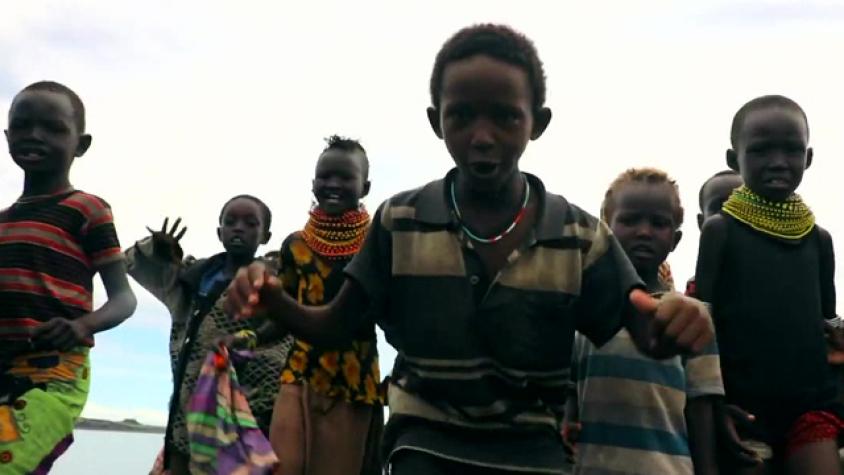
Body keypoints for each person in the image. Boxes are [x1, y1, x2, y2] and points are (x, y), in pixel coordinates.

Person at [225, 24, 714, 475]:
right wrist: (276, 301)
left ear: (537, 123)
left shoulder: (577, 236)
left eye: (505, 117)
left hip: (532, 447)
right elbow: (335, 325)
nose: (483, 137)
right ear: (437, 121)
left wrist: (677, 319)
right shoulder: (400, 223)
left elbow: (644, 329)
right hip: (425, 440)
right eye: (462, 116)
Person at [695, 95, 844, 474]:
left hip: (811, 407)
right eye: (761, 151)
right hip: (743, 408)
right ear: (734, 159)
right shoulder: (720, 231)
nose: (778, 162)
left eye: (792, 151)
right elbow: (702, 323)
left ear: (808, 158)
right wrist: (713, 403)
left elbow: (829, 324)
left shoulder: (818, 239)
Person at [0, 81, 137, 473]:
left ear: (81, 143)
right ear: (8, 136)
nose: (34, 136)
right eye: (23, 126)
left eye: (53, 128)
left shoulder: (86, 210)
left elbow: (124, 299)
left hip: (53, 370)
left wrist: (82, 326)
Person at [564, 168, 722, 475]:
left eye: (659, 223)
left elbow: (701, 408)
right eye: (630, 220)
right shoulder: (588, 312)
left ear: (675, 239)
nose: (644, 232)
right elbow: (571, 392)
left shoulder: (690, 317)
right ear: (604, 230)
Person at [126, 195, 290, 474]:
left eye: (251, 224)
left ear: (265, 236)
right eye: (230, 222)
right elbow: (131, 262)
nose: (239, 228)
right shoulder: (192, 277)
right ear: (219, 232)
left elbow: (281, 340)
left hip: (241, 417)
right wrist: (159, 248)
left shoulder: (272, 281)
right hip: (186, 414)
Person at [269, 135, 383, 475]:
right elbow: (283, 313)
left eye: (345, 177)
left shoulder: (379, 242)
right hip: (297, 373)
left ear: (365, 187)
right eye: (324, 177)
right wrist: (246, 338)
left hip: (353, 383)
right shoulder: (295, 246)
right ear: (313, 183)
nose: (332, 184)